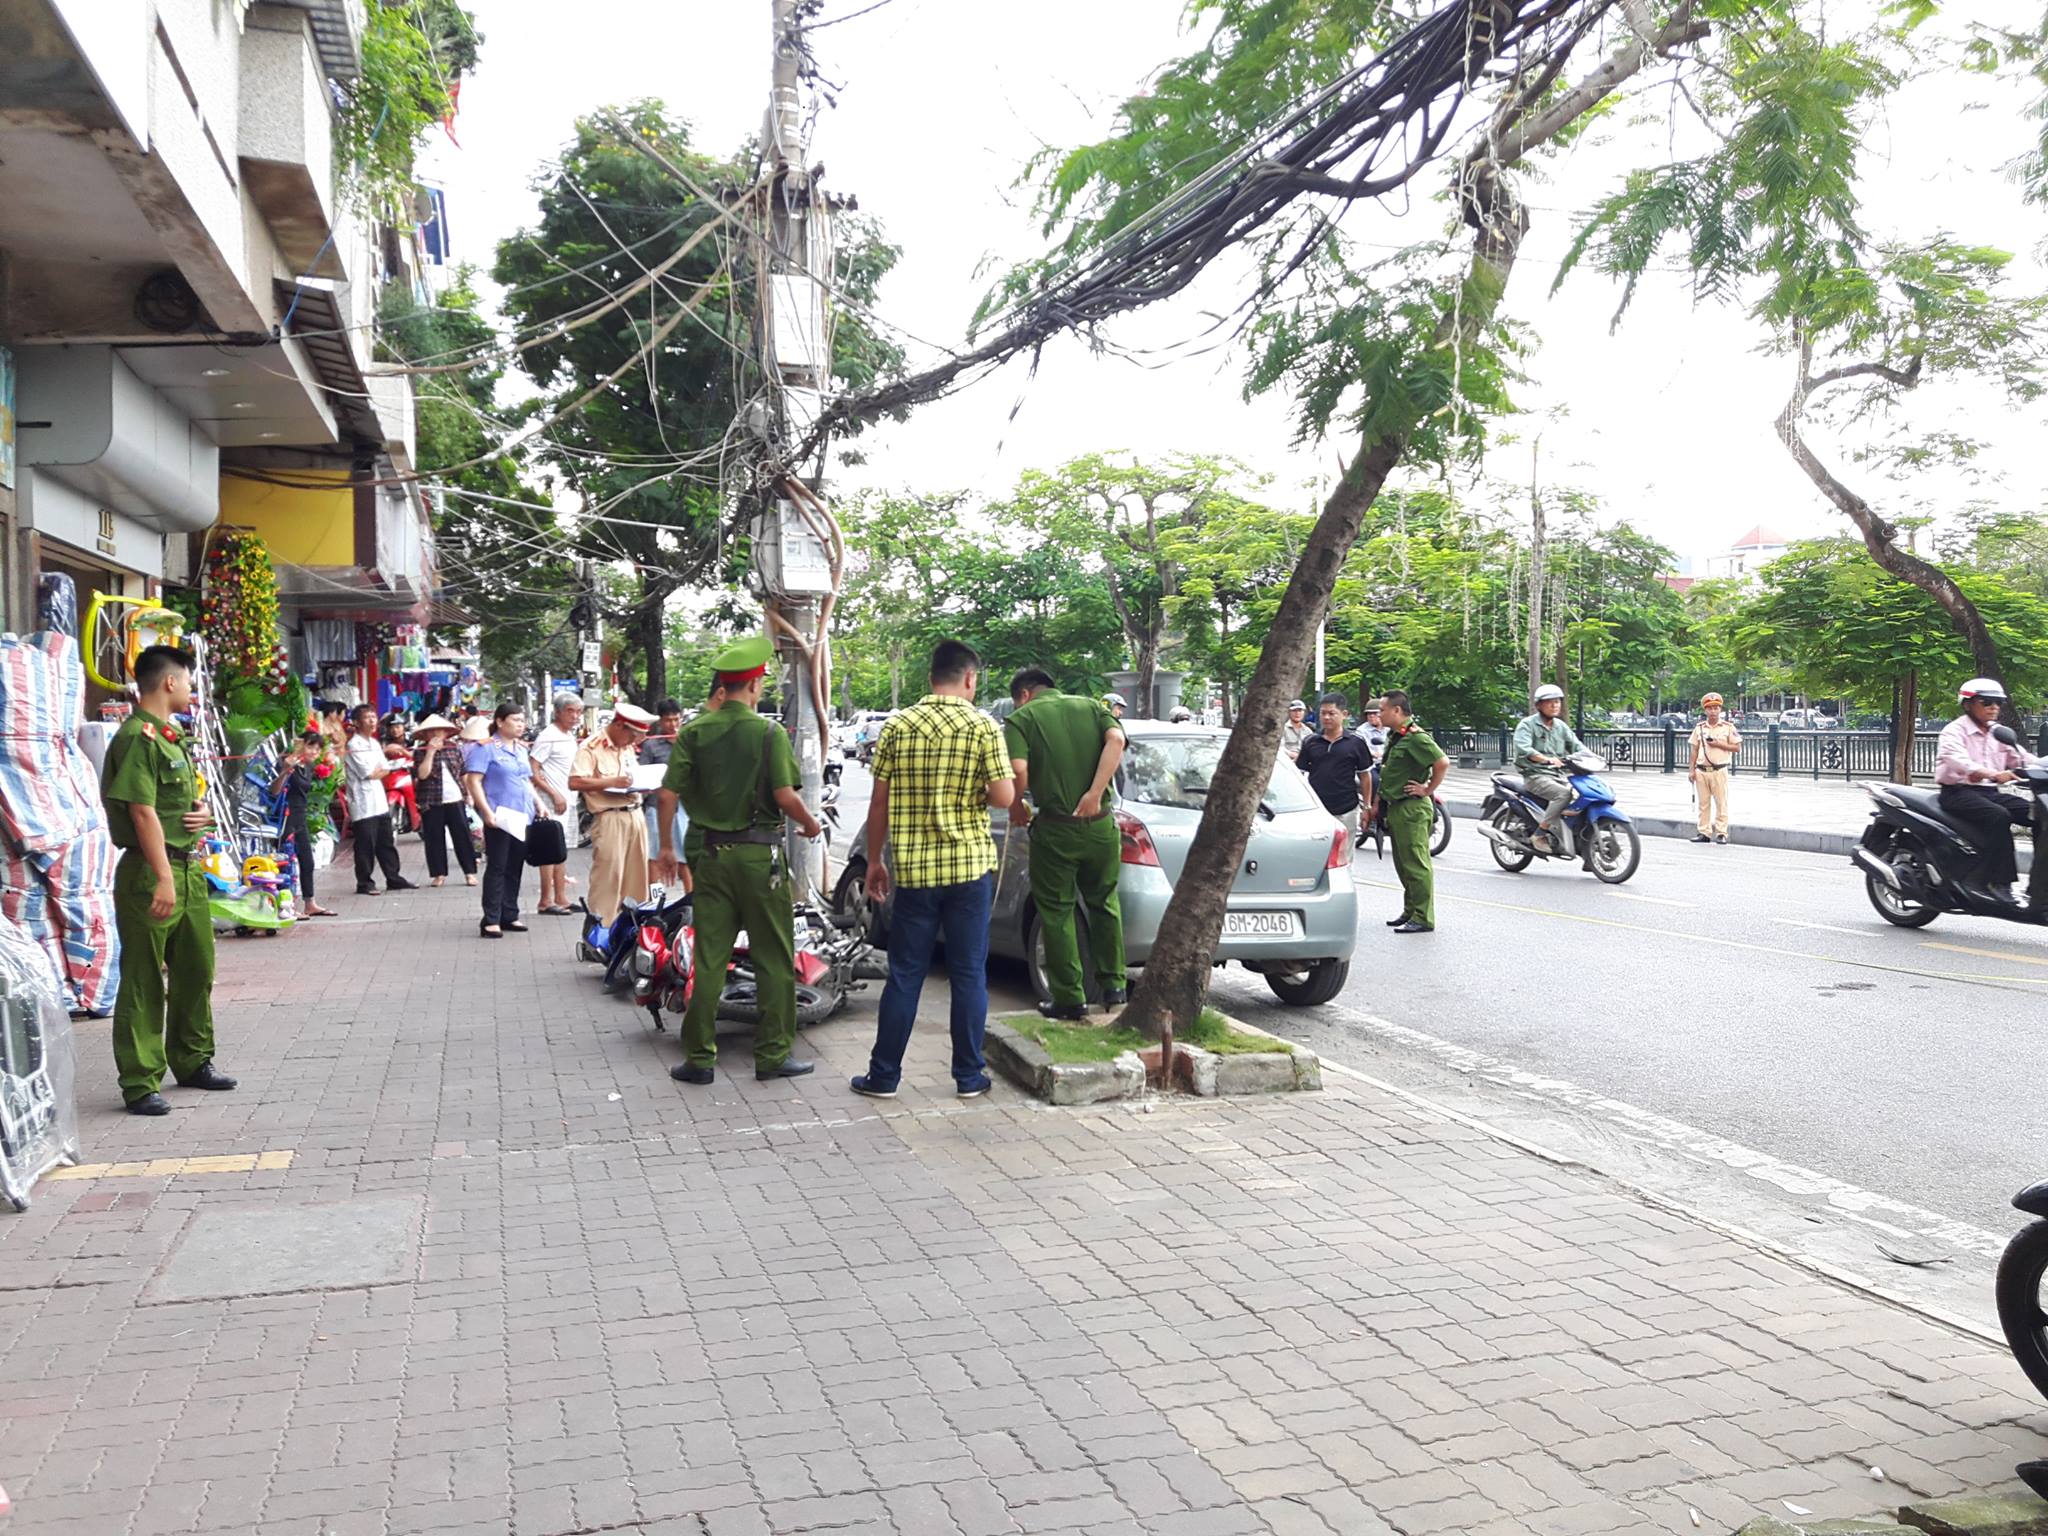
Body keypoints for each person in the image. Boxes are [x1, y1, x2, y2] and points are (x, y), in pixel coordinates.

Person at [851, 640, 1017, 1100]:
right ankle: (968, 1076)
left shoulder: (898, 726)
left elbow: (878, 802)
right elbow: (1004, 797)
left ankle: (883, 1076)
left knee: (906, 973)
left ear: (931, 678)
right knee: (968, 973)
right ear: (970, 678)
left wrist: (876, 861)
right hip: (968, 870)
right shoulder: (983, 726)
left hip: (916, 873)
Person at [654, 636, 823, 1084]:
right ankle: (771, 1056)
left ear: (723, 686)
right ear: (754, 684)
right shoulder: (768, 733)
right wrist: (809, 823)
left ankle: (699, 1059)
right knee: (773, 956)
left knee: (710, 957)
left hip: (709, 856)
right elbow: (786, 796)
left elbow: (667, 794)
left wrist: (667, 849)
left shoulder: (692, 732)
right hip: (759, 859)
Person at [100, 645, 236, 1115]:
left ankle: (194, 1060)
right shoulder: (138, 737)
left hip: (187, 867)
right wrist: (163, 878)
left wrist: (198, 815)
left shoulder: (170, 735)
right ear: (170, 682)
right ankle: (140, 1081)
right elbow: (140, 811)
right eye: (189, 680)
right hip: (150, 871)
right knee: (142, 979)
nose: (191, 689)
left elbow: (168, 804)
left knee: (196, 970)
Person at [1007, 667, 1127, 1020]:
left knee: (1057, 911)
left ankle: (1069, 998)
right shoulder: (1092, 706)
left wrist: (1016, 807)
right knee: (1104, 902)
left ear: (1025, 694)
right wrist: (1093, 794)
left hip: (1056, 830)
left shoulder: (1021, 719)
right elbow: (1116, 741)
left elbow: (1018, 770)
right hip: (1101, 826)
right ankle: (1114, 986)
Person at [1936, 678, 2030, 905]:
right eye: (1986, 702)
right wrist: (1992, 773)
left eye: (1998, 702)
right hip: (1957, 793)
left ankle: (2039, 883)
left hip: (1989, 793)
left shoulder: (1999, 733)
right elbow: (1957, 760)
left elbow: (2022, 757)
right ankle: (1995, 882)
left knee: (2037, 813)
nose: (1994, 707)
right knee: (1998, 815)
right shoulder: (1954, 731)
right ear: (1968, 704)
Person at [570, 701, 655, 925]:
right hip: (609, 817)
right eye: (633, 735)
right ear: (619, 725)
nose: (634, 742)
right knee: (609, 878)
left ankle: (633, 930)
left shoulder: (625, 747)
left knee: (637, 877)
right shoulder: (592, 747)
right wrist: (611, 782)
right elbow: (575, 781)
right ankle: (600, 932)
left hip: (635, 814)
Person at [1372, 690, 1448, 933]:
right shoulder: (1396, 736)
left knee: (1416, 864)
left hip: (1412, 808)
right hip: (1396, 806)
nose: (1378, 714)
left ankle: (1423, 917)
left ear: (1396, 711)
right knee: (1403, 864)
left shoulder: (1416, 737)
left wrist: (1427, 789)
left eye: (1382, 710)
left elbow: (1441, 762)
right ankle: (1410, 910)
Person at [465, 702, 541, 938]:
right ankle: (491, 919)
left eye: (522, 720)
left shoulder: (520, 748)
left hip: (522, 814)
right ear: (499, 721)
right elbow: (473, 781)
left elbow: (526, 780)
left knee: (515, 866)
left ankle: (510, 914)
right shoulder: (485, 748)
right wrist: (486, 811)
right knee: (497, 865)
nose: (521, 725)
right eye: (516, 720)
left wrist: (539, 804)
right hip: (500, 815)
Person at [345, 704, 413, 895]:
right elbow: (370, 773)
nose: (372, 720)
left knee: (386, 842)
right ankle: (365, 883)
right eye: (367, 717)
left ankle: (394, 878)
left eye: (374, 716)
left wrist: (384, 769)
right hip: (363, 803)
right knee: (366, 845)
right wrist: (384, 769)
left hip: (379, 801)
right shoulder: (354, 745)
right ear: (357, 722)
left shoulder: (374, 744)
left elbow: (383, 770)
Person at [269, 729, 337, 918]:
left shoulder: (306, 767)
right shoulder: (288, 763)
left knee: (307, 860)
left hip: (301, 816)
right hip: (287, 817)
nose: (314, 751)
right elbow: (274, 791)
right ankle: (286, 905)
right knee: (286, 862)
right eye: (310, 746)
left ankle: (310, 903)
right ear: (301, 745)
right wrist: (285, 770)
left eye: (317, 748)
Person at [1512, 684, 1587, 854]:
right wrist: (1545, 759)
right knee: (1563, 794)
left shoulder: (1560, 726)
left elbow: (1577, 746)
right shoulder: (1527, 725)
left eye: (1557, 702)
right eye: (1549, 702)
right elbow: (1525, 749)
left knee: (1583, 797)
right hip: (1535, 776)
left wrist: (1593, 757)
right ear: (1538, 705)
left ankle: (1583, 844)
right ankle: (1539, 834)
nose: (1555, 706)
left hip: (1558, 775)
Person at [1297, 694, 1375, 844]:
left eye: (1331, 713)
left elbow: (1365, 776)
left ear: (1344, 714)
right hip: (1317, 809)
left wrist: (1367, 807)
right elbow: (1300, 775)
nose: (1326, 717)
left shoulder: (1356, 743)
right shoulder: (1310, 742)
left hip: (1346, 808)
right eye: (1323, 713)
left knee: (1344, 857)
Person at [412, 714, 478, 888]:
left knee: (463, 836)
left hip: (455, 798)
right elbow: (422, 774)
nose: (435, 734)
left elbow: (463, 773)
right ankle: (438, 874)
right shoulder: (420, 751)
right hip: (431, 800)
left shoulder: (454, 748)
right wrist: (430, 752)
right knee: (434, 838)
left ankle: (469, 872)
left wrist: (469, 794)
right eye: (430, 731)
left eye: (438, 730)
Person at [529, 693, 580, 916]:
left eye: (578, 712)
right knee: (549, 852)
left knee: (561, 851)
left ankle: (561, 897)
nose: (576, 716)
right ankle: (545, 900)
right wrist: (553, 794)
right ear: (558, 712)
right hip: (551, 802)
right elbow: (533, 769)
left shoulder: (568, 736)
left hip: (568, 800)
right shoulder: (548, 736)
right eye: (571, 711)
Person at [637, 697, 691, 891]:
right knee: (655, 854)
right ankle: (655, 902)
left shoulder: (688, 742)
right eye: (668, 720)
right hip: (656, 806)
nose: (673, 724)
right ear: (660, 721)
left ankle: (690, 901)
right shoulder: (651, 745)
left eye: (677, 719)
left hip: (685, 807)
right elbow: (642, 774)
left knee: (685, 855)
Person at [1687, 693, 1743, 845]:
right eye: (1710, 708)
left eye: (1716, 708)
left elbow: (1737, 747)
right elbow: (1694, 750)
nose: (1713, 711)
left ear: (1720, 709)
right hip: (1701, 770)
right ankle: (1704, 832)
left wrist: (1718, 744)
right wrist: (1691, 770)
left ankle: (1721, 833)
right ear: (1705, 710)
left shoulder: (1728, 727)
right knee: (1703, 803)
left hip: (1719, 770)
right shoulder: (1699, 728)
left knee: (1721, 802)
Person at [381, 716, 417, 833]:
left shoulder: (412, 739)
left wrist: (403, 751)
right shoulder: (384, 741)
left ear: (403, 727)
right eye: (392, 727)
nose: (395, 730)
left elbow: (416, 755)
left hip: (410, 770)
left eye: (397, 727)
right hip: (392, 772)